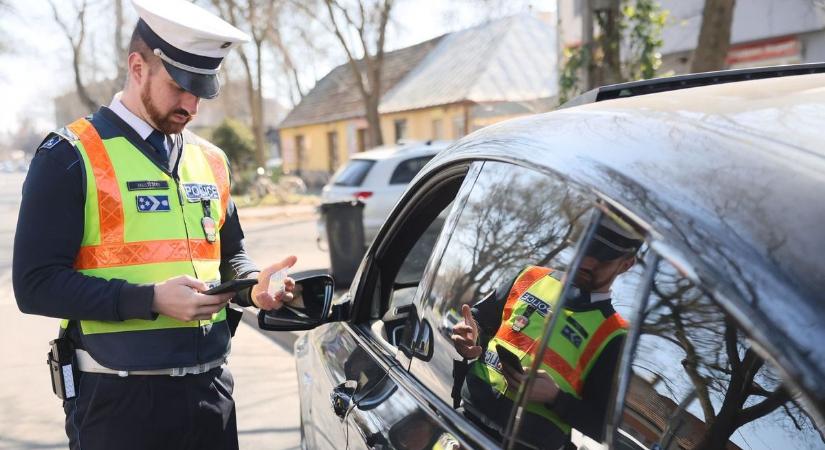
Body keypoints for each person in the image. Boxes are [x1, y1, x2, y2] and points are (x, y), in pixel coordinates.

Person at [12, 1, 297, 449]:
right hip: (117, 404)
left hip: (212, 397)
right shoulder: (70, 156)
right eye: (180, 86)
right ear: (137, 66)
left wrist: (252, 288)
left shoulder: (212, 161)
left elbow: (231, 254)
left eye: (202, 90)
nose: (192, 105)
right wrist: (150, 300)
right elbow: (34, 285)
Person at [450, 217, 642, 449]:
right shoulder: (530, 277)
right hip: (460, 425)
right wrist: (470, 336)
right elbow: (480, 320)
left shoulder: (616, 335)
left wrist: (555, 398)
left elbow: (604, 426)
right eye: (587, 248)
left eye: (602, 258)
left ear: (626, 265)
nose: (588, 263)